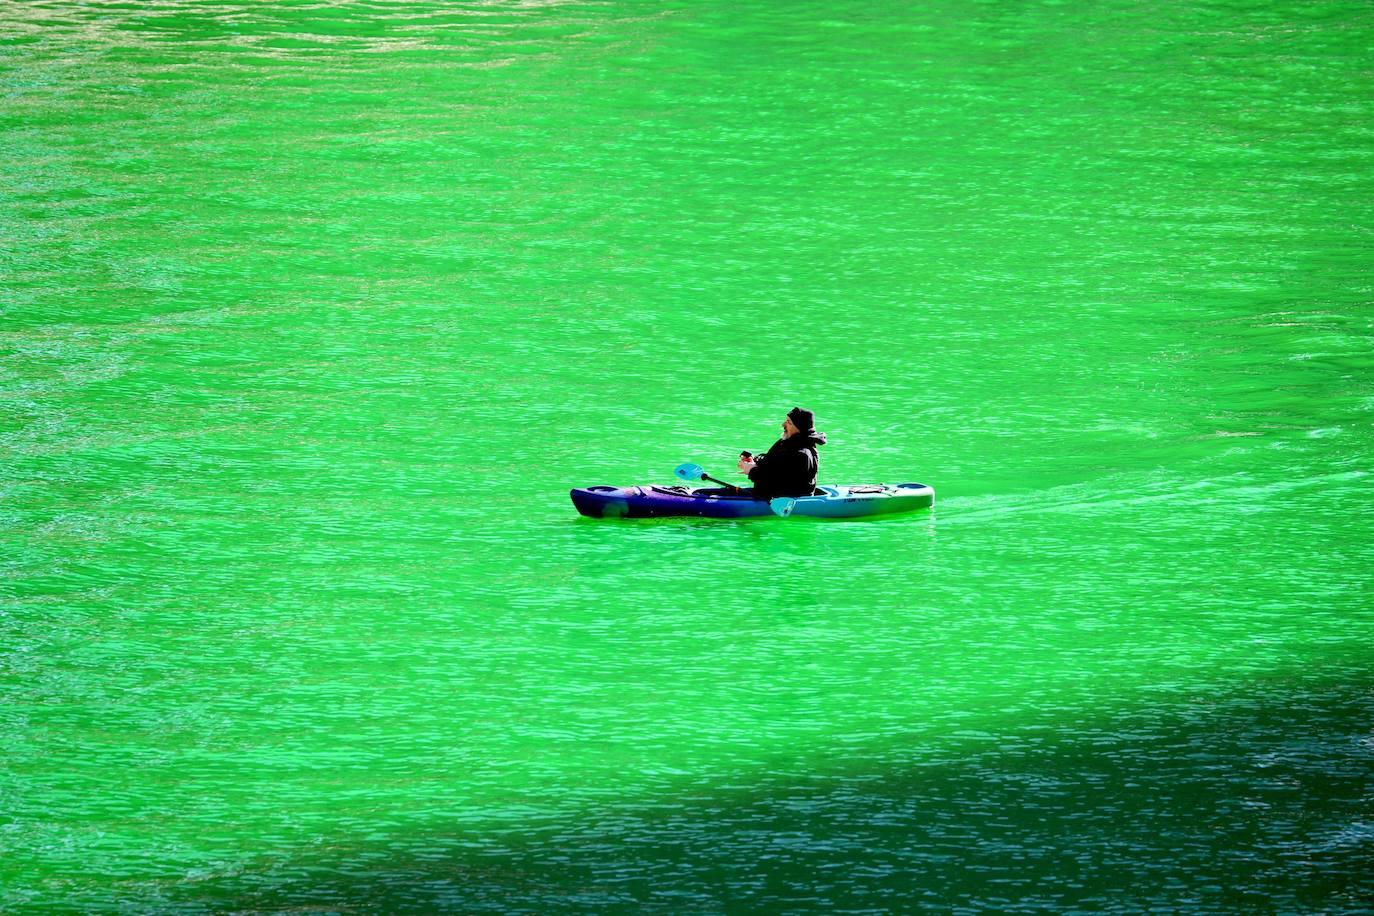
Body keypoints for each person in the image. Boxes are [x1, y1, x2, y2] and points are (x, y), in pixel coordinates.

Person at [737, 407, 826, 500]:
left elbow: (777, 482)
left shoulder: (802, 454)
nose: (783, 424)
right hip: (768, 496)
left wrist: (751, 471)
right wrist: (754, 461)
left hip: (782, 502)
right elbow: (773, 464)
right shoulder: (786, 442)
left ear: (799, 428)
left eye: (788, 422)